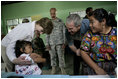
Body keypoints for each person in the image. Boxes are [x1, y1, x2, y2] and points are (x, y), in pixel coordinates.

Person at [80, 8, 117, 75]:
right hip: (94, 67)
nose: (90, 25)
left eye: (92, 22)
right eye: (89, 22)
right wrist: (97, 69)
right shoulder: (89, 34)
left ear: (103, 21)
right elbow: (83, 52)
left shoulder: (115, 33)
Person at [46, 8, 66, 74]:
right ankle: (53, 68)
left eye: (54, 13)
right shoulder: (48, 22)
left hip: (60, 42)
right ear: (50, 14)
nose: (53, 15)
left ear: (56, 13)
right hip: (51, 43)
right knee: (52, 56)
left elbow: (64, 32)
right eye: (51, 13)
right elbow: (47, 33)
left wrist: (64, 42)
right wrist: (47, 44)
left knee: (61, 56)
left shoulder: (61, 21)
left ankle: (62, 69)